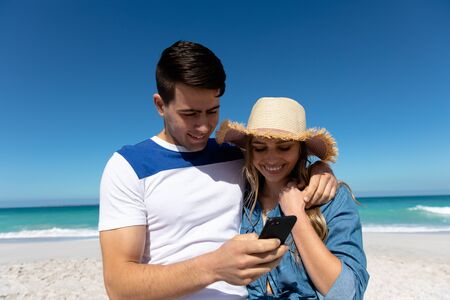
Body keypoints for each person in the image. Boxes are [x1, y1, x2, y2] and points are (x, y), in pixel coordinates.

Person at [98, 41, 338, 299]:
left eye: (212, 111)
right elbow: (118, 286)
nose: (203, 127)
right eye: (189, 114)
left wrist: (319, 170)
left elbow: (278, 159)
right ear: (160, 105)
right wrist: (212, 267)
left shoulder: (233, 154)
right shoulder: (129, 166)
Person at [216, 97, 369, 299]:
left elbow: (347, 293)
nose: (271, 158)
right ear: (250, 151)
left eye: (284, 147)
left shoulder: (331, 198)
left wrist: (296, 214)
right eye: (260, 148)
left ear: (300, 149)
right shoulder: (239, 197)